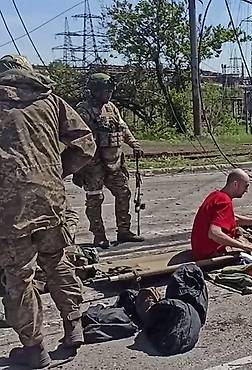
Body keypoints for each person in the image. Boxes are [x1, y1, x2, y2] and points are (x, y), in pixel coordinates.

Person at [0, 54, 96, 368]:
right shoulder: (50, 99)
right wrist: (56, 172)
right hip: (51, 199)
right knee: (57, 261)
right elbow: (85, 144)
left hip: (11, 207)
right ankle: (73, 327)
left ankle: (34, 349)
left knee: (20, 277)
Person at [73, 73, 145, 248]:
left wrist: (134, 144)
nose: (109, 94)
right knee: (95, 199)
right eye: (106, 90)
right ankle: (99, 236)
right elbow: (79, 136)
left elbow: (123, 127)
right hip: (93, 165)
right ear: (95, 91)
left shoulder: (111, 107)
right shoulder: (84, 110)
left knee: (124, 193)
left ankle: (124, 231)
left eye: (111, 90)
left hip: (114, 161)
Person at [191, 169, 252, 261]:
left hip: (200, 249)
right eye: (245, 186)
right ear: (235, 184)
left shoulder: (216, 195)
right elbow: (214, 233)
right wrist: (245, 246)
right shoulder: (224, 201)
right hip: (210, 253)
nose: (246, 191)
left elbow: (232, 218)